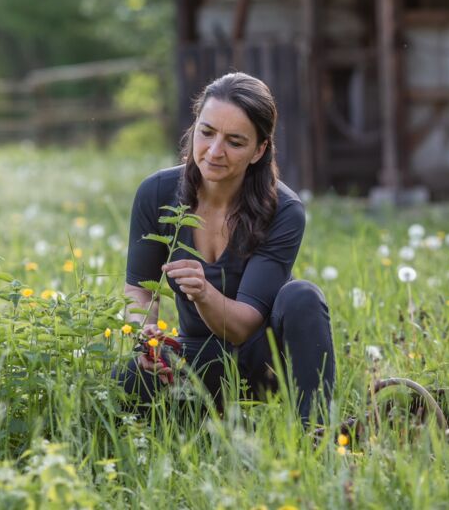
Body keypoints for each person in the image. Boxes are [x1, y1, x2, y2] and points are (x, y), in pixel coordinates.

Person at [116, 72, 335, 425]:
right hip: (199, 358)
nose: (215, 152)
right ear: (194, 128)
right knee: (124, 380)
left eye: (234, 141)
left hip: (264, 365)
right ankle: (187, 424)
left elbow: (241, 327)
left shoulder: (283, 209)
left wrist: (203, 292)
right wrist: (147, 338)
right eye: (207, 133)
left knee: (302, 296)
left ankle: (317, 432)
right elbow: (138, 288)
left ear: (259, 150)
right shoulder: (157, 193)